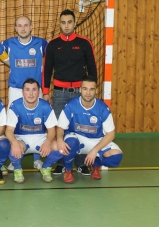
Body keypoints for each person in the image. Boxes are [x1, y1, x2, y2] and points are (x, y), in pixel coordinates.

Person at [42, 9, 97, 175]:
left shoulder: (84, 43)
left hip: (81, 94)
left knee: (81, 128)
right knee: (60, 128)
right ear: (59, 24)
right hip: (59, 94)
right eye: (63, 22)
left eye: (69, 22)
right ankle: (60, 162)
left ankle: (81, 163)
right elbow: (47, 70)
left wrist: (90, 92)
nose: (66, 26)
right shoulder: (52, 45)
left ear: (74, 23)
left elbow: (92, 68)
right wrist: (45, 92)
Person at [6, 78, 75, 183]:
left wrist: (48, 142)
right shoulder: (15, 106)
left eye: (34, 89)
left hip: (41, 139)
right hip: (22, 139)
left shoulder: (45, 106)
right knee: (12, 147)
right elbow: (9, 130)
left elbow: (52, 130)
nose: (31, 93)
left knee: (60, 148)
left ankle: (46, 167)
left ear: (39, 92)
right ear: (22, 92)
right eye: (27, 90)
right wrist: (14, 142)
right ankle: (17, 169)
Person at [2, 16, 48, 171]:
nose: (23, 28)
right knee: (13, 124)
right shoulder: (8, 43)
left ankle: (37, 159)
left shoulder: (41, 43)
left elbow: (53, 55)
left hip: (35, 90)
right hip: (15, 89)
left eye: (26, 25)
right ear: (15, 28)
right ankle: (14, 158)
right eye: (19, 26)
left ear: (31, 26)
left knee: (37, 122)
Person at [56, 77, 123, 183]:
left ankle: (96, 165)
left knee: (116, 158)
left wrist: (95, 150)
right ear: (80, 89)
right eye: (85, 89)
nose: (88, 92)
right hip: (77, 139)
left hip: (96, 141)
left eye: (91, 89)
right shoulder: (71, 105)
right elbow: (60, 127)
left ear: (96, 90)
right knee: (69, 142)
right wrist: (59, 139)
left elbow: (111, 134)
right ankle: (68, 170)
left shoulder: (103, 108)